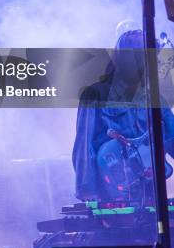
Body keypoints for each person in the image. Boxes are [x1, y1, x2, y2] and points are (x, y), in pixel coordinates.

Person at [72, 30, 174, 204]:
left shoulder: (157, 100)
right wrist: (89, 193)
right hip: (111, 193)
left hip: (151, 192)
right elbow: (84, 147)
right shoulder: (96, 94)